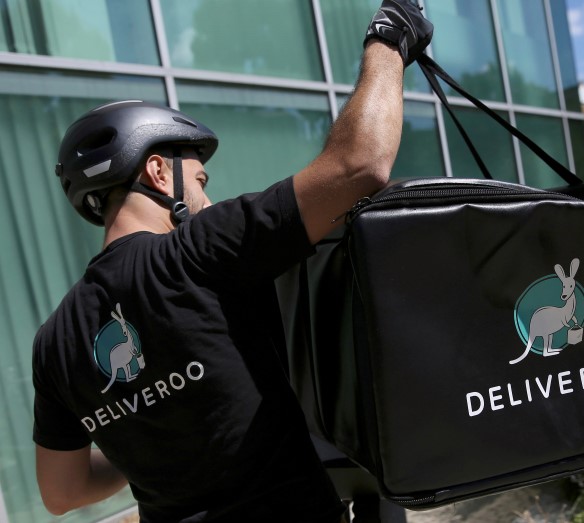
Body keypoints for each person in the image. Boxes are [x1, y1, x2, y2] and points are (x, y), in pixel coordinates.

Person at [31, 2, 433, 521]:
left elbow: (61, 492)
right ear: (158, 172)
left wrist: (147, 447)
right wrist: (389, 37)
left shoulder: (52, 342)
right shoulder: (198, 251)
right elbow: (360, 163)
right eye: (199, 181)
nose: (204, 198)